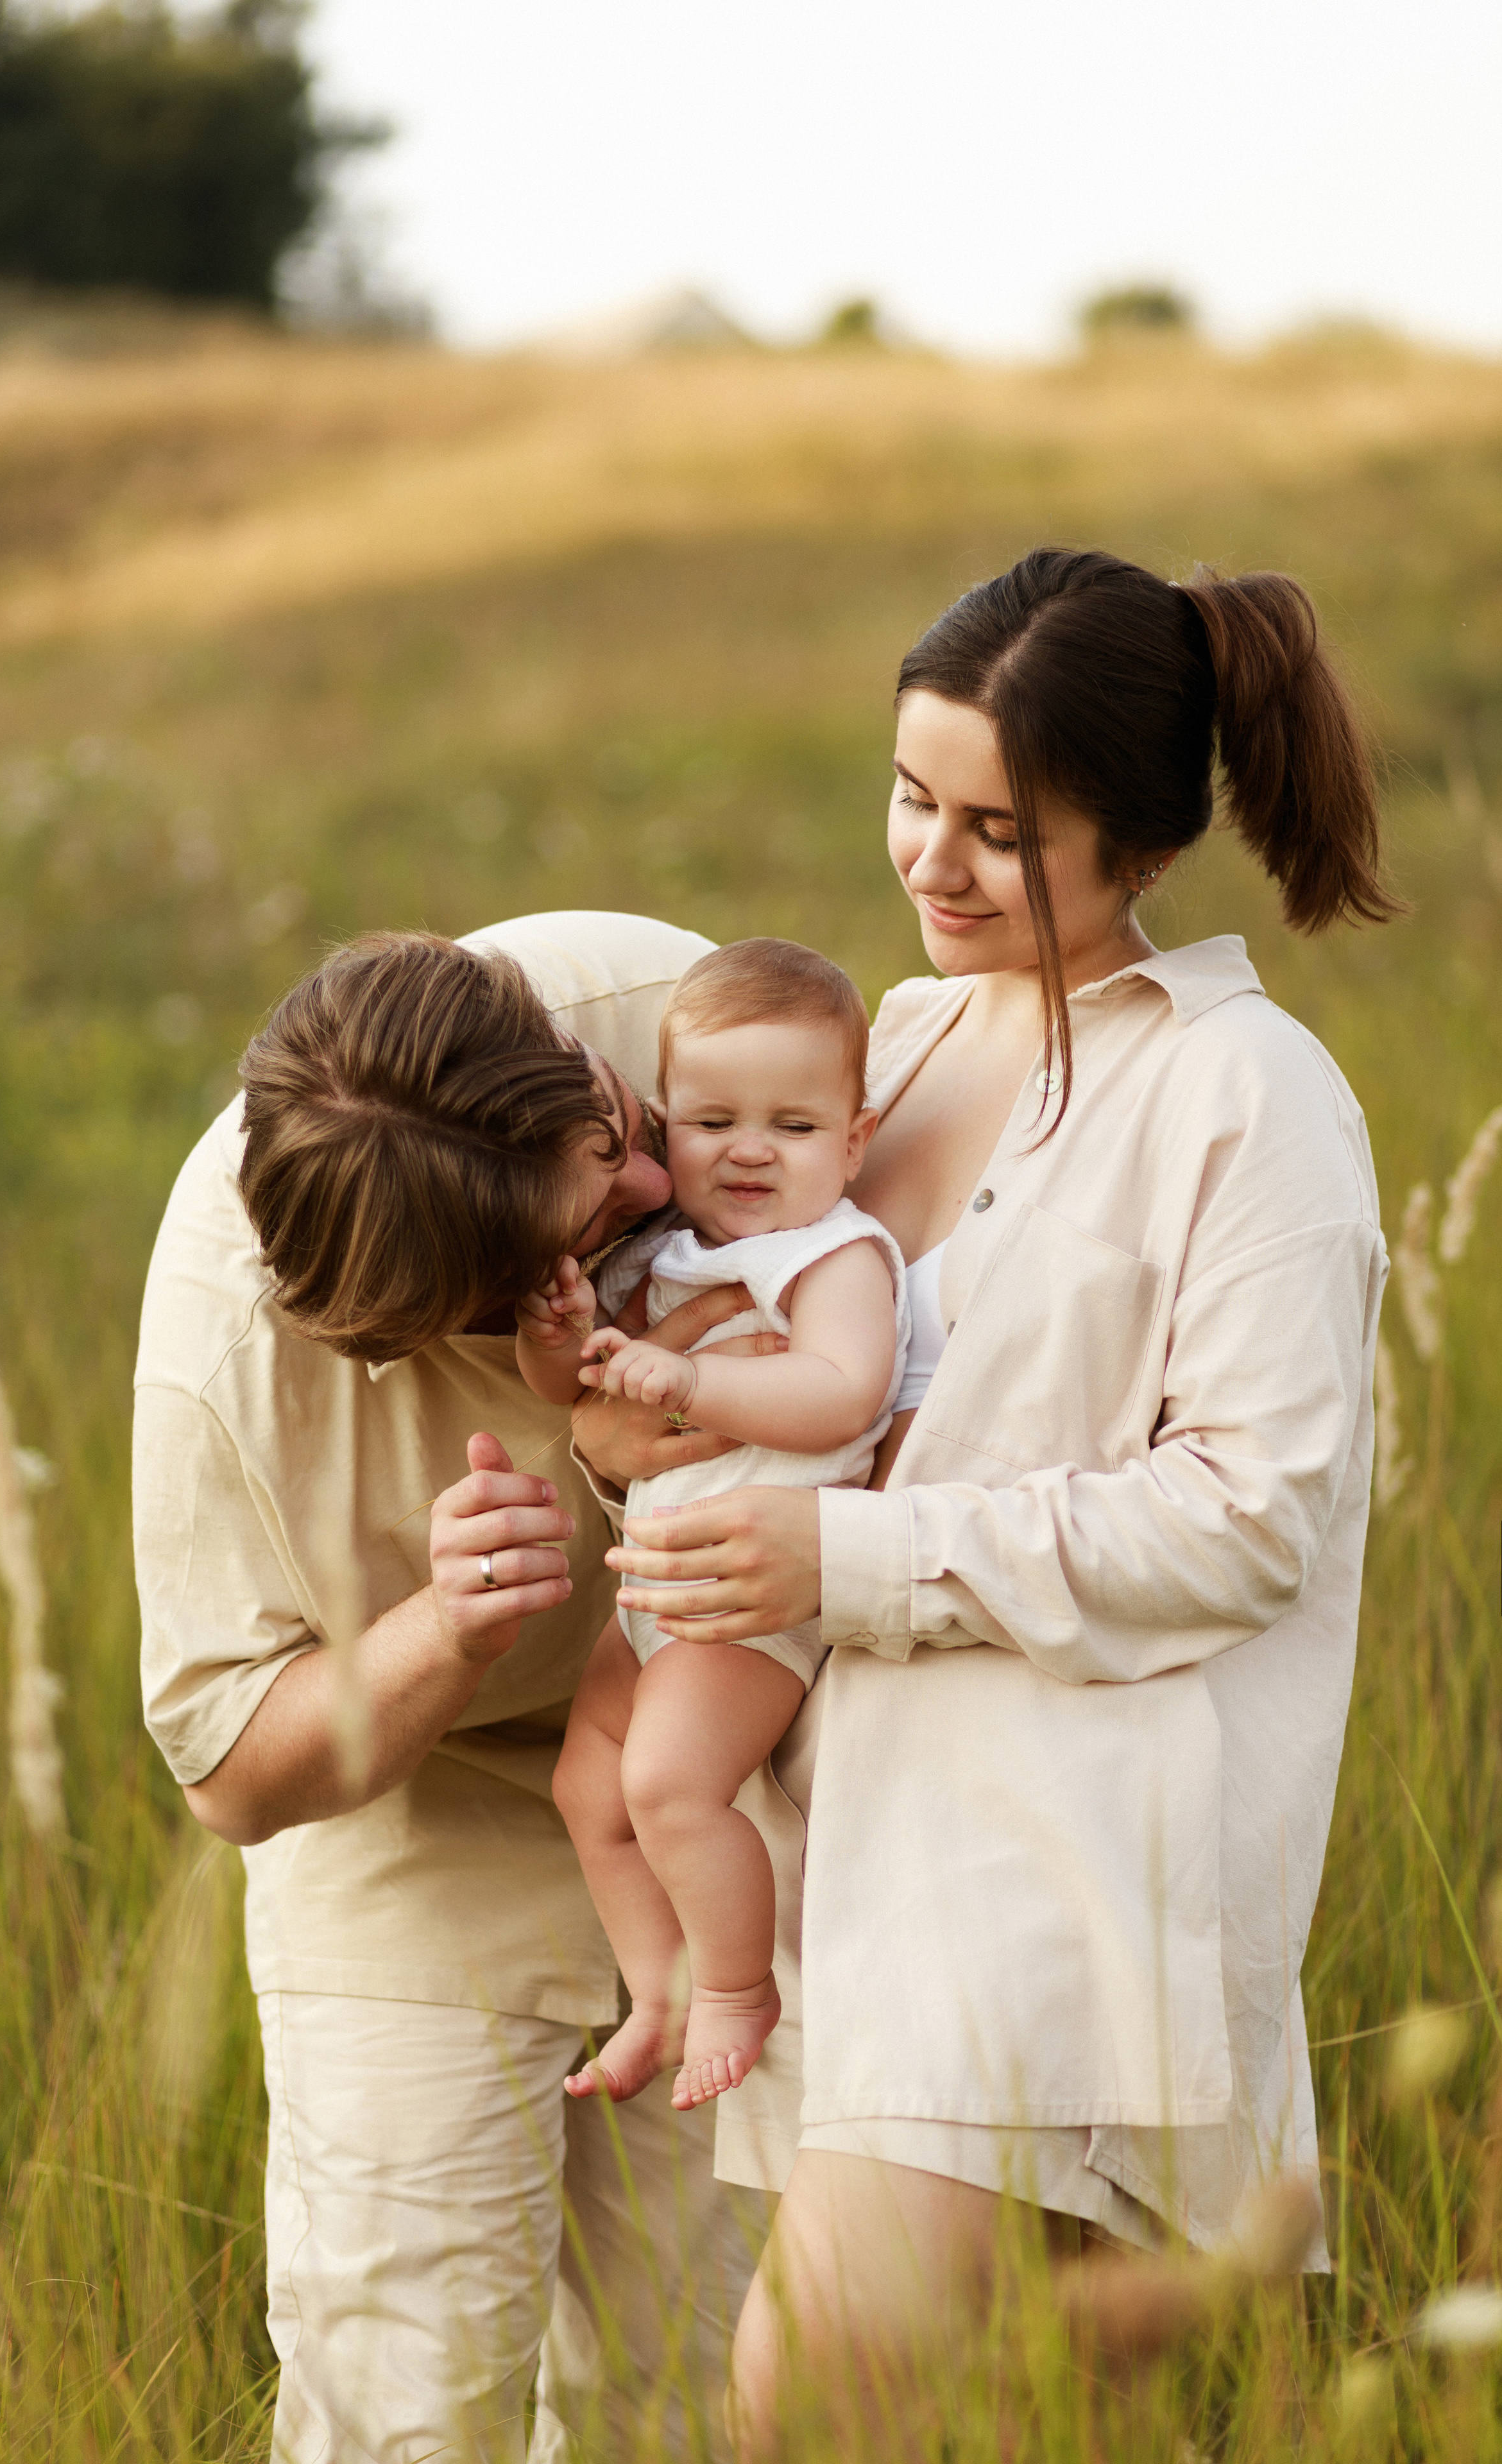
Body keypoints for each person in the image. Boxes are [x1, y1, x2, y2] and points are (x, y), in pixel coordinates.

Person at [570, 550, 1398, 2449]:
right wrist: (641, 1429)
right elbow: (780, 1347)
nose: (929, 863)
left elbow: (1251, 1516)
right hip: (853, 1847)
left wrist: (840, 1556)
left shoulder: (1249, 1096)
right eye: (910, 797)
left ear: (1142, 838)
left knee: (801, 2406)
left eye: (999, 830)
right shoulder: (909, 1042)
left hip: (1061, 1874)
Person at [132, 911, 769, 2464]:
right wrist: (443, 1630)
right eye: (585, 1230)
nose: (651, 1184)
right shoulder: (229, 1353)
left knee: (688, 2396)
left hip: (712, 1799)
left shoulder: (662, 1017)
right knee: (407, 2403)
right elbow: (231, 1780)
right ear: (429, 1324)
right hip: (408, 1828)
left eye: (610, 1131)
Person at [518, 941, 908, 2113]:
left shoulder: (829, 1254)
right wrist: (564, 1334)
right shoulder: (668, 1253)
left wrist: (684, 1381)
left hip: (749, 1602)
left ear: (852, 1141)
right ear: (663, 1128)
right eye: (711, 1121)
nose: (748, 1150)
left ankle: (738, 1989)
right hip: (657, 1595)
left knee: (673, 1788)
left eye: (793, 1127)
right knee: (590, 1791)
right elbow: (577, 1398)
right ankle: (660, 1991)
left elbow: (843, 1392)